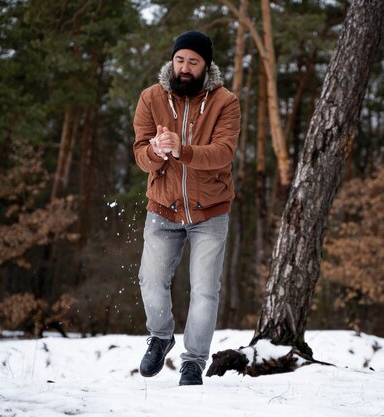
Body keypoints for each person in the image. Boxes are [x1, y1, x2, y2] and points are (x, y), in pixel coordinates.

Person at [132, 30, 240, 386]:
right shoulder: (151, 97)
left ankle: (193, 361)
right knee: (151, 280)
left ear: (206, 65)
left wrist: (183, 150)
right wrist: (157, 151)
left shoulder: (226, 102)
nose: (185, 67)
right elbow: (140, 154)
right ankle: (161, 337)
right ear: (172, 61)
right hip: (163, 208)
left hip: (210, 211)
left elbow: (224, 152)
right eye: (180, 60)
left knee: (205, 289)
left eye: (193, 61)